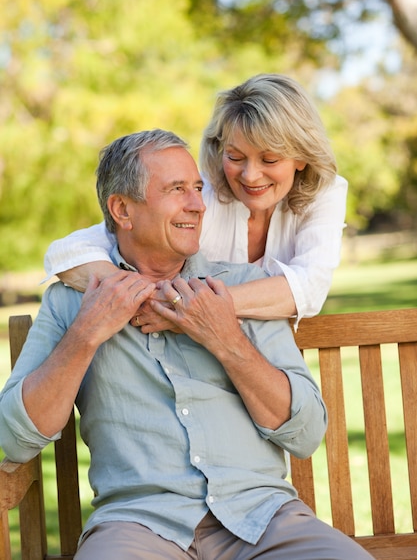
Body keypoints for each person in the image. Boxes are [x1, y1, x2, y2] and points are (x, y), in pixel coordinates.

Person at [0, 130, 371, 560]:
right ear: (122, 209)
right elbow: (14, 438)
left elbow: (306, 433)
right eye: (177, 190)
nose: (198, 204)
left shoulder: (241, 289)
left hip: (265, 521)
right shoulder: (74, 301)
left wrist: (225, 337)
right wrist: (86, 334)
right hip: (139, 526)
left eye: (197, 188)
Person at [43, 73, 347, 328]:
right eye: (235, 156)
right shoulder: (201, 199)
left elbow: (310, 288)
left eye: (270, 159)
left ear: (302, 158)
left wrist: (188, 310)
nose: (250, 176)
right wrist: (150, 300)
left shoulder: (325, 194)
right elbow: (67, 253)